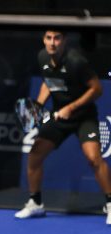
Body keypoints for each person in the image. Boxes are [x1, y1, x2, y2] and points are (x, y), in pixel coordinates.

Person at [16, 29, 111, 223]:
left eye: (57, 38)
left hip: (83, 117)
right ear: (44, 40)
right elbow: (48, 83)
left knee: (94, 159)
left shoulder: (76, 62)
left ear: (64, 41)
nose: (52, 43)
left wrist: (71, 107)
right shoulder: (42, 57)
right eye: (49, 38)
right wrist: (38, 106)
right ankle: (35, 203)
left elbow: (97, 89)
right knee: (35, 153)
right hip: (59, 117)